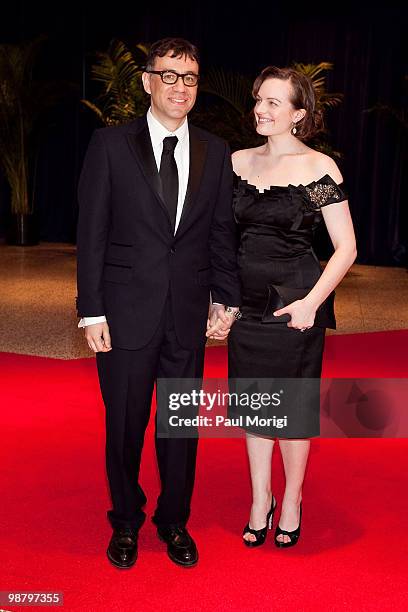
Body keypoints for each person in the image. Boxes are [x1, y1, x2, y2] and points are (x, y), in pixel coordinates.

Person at [76, 37, 241, 569]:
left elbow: (220, 233)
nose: (179, 87)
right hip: (123, 314)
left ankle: (174, 520)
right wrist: (92, 310)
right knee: (124, 424)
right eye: (168, 75)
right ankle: (125, 520)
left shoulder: (216, 152)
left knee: (180, 425)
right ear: (147, 81)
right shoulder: (108, 145)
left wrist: (225, 298)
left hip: (187, 315)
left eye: (189, 77)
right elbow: (92, 233)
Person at [228, 66, 357, 548]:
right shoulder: (236, 161)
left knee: (290, 411)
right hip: (247, 304)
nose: (262, 109)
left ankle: (294, 497)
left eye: (275, 102)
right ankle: (260, 498)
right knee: (255, 408)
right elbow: (220, 240)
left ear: (299, 114)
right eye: (259, 98)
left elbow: (345, 246)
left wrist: (311, 304)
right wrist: (221, 301)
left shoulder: (319, 169)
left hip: (296, 304)